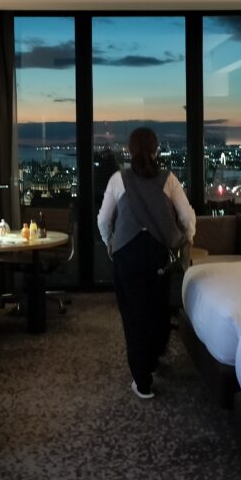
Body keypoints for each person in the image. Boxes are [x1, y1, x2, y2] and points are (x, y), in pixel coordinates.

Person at [97, 128, 196, 399]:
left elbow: (103, 219)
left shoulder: (118, 179)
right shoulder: (169, 179)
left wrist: (110, 242)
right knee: (157, 308)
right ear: (156, 150)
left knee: (133, 315)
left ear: (129, 150)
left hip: (126, 253)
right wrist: (187, 239)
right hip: (157, 252)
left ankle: (142, 381)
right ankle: (153, 358)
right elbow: (187, 217)